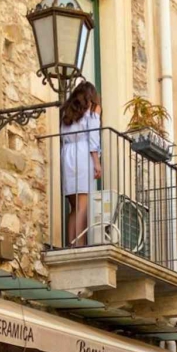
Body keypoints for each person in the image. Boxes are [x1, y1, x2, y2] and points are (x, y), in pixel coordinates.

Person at [59, 81, 102, 248]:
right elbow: (93, 137)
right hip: (83, 154)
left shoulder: (66, 113)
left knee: (74, 206)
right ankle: (79, 244)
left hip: (67, 153)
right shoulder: (92, 111)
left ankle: (71, 243)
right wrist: (97, 162)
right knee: (82, 206)